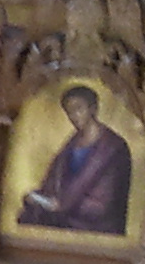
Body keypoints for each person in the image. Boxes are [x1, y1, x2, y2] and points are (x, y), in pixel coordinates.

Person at [17, 86, 134, 235]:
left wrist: (62, 205)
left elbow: (105, 196)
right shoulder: (73, 142)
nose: (74, 116)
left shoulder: (113, 145)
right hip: (66, 209)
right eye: (69, 111)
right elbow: (56, 179)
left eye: (78, 109)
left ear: (92, 109)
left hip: (94, 219)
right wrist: (41, 197)